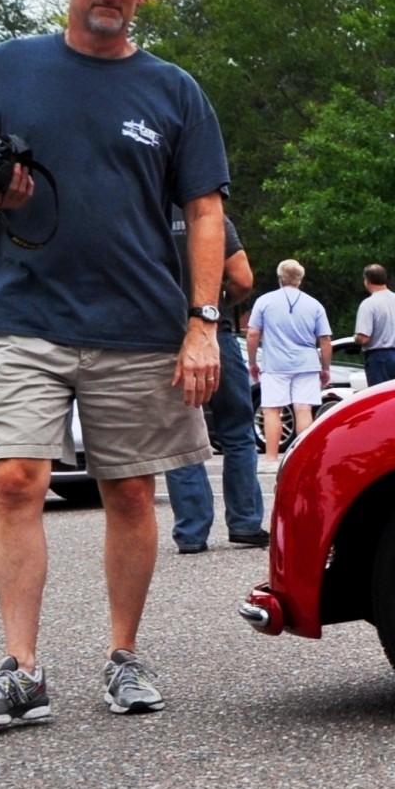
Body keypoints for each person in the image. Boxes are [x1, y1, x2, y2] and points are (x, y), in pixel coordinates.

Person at [0, 0, 229, 727]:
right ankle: (22, 671)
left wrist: (201, 321)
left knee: (132, 492)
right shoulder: (8, 66)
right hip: (25, 309)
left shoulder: (174, 90)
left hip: (136, 322)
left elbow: (205, 211)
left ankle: (123, 656)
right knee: (12, 482)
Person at [163, 211, 266, 554]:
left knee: (180, 438)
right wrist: (217, 304)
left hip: (165, 338)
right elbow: (243, 279)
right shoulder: (211, 216)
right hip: (212, 332)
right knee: (237, 431)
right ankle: (246, 522)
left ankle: (191, 532)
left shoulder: (144, 213)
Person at [248, 259, 331, 467]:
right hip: (306, 363)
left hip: (275, 363)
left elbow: (253, 333)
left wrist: (252, 361)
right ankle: (303, 458)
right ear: (300, 279)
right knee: (303, 409)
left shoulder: (264, 301)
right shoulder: (314, 304)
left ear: (279, 278)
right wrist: (325, 367)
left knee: (272, 410)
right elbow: (325, 339)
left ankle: (271, 458)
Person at [353, 264, 395, 385]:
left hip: (379, 358)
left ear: (367, 280)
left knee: (380, 397)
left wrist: (355, 338)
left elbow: (363, 338)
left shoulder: (369, 304)